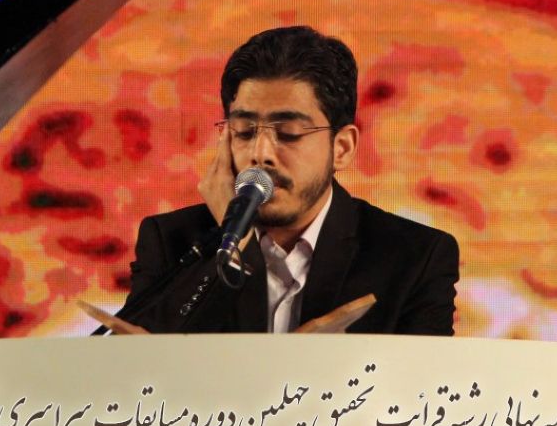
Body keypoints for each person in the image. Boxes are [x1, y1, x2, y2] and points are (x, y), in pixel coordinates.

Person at [119, 26, 459, 334]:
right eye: (245, 131)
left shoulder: (416, 257)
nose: (260, 154)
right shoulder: (172, 244)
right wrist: (233, 243)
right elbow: (144, 371)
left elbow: (421, 381)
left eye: (289, 132)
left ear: (341, 148)